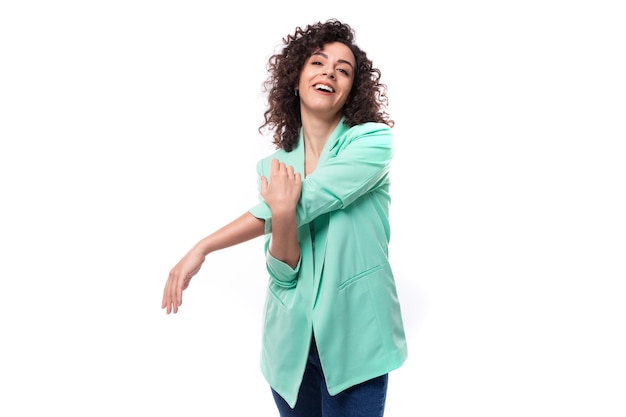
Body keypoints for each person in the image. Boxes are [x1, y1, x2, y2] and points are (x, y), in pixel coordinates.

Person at [161, 19, 408, 416]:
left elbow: (310, 198)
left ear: (351, 91)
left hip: (356, 343)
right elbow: (284, 270)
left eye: (343, 70)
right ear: (296, 79)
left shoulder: (372, 142)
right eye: (318, 63)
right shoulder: (273, 166)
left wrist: (204, 246)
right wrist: (280, 214)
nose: (330, 72)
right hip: (290, 354)